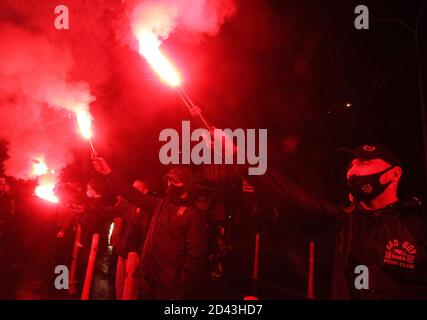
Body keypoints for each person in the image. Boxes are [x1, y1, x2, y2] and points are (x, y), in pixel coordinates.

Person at [252, 144, 427, 299]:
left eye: (363, 163)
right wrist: (238, 156)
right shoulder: (345, 220)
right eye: (350, 166)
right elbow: (287, 189)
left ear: (394, 173)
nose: (351, 171)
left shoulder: (417, 222)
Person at [92, 157, 207, 300]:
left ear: (187, 186)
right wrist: (109, 173)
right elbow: (132, 194)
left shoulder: (193, 215)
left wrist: (180, 291)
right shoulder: (160, 204)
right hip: (147, 280)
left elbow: (195, 257)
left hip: (169, 287)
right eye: (169, 181)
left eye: (175, 181)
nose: (170, 185)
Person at [112, 179, 153, 300]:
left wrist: (140, 256)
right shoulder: (130, 206)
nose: (132, 190)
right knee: (120, 290)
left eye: (136, 188)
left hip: (134, 256)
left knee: (131, 292)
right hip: (123, 252)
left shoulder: (148, 210)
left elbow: (146, 234)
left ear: (145, 191)